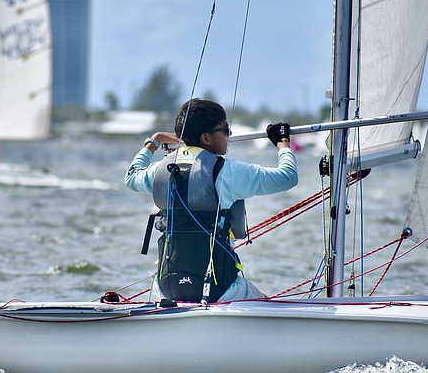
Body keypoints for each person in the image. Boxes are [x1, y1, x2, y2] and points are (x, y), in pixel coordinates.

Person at [125, 98, 298, 303]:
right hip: (220, 290)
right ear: (206, 138)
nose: (229, 134)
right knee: (271, 306)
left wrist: (153, 142)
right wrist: (283, 144)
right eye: (225, 128)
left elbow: (131, 176)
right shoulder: (228, 172)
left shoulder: (160, 170)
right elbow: (288, 176)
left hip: (167, 289)